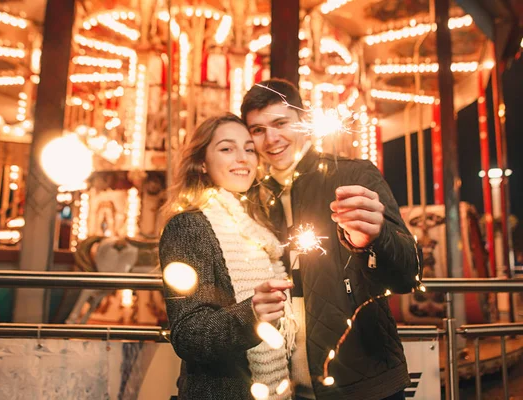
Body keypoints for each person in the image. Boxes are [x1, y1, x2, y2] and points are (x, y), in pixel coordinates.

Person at [241, 79, 419, 400]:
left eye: (281, 123)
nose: (271, 138)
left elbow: (409, 274)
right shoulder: (254, 197)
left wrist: (374, 240)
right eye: (257, 129)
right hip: (288, 386)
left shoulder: (353, 175)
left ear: (302, 119)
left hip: (363, 379)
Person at [159, 113, 297, 399]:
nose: (243, 158)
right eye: (226, 148)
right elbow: (188, 335)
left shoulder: (262, 229)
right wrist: (252, 313)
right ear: (202, 163)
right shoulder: (188, 226)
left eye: (249, 149)